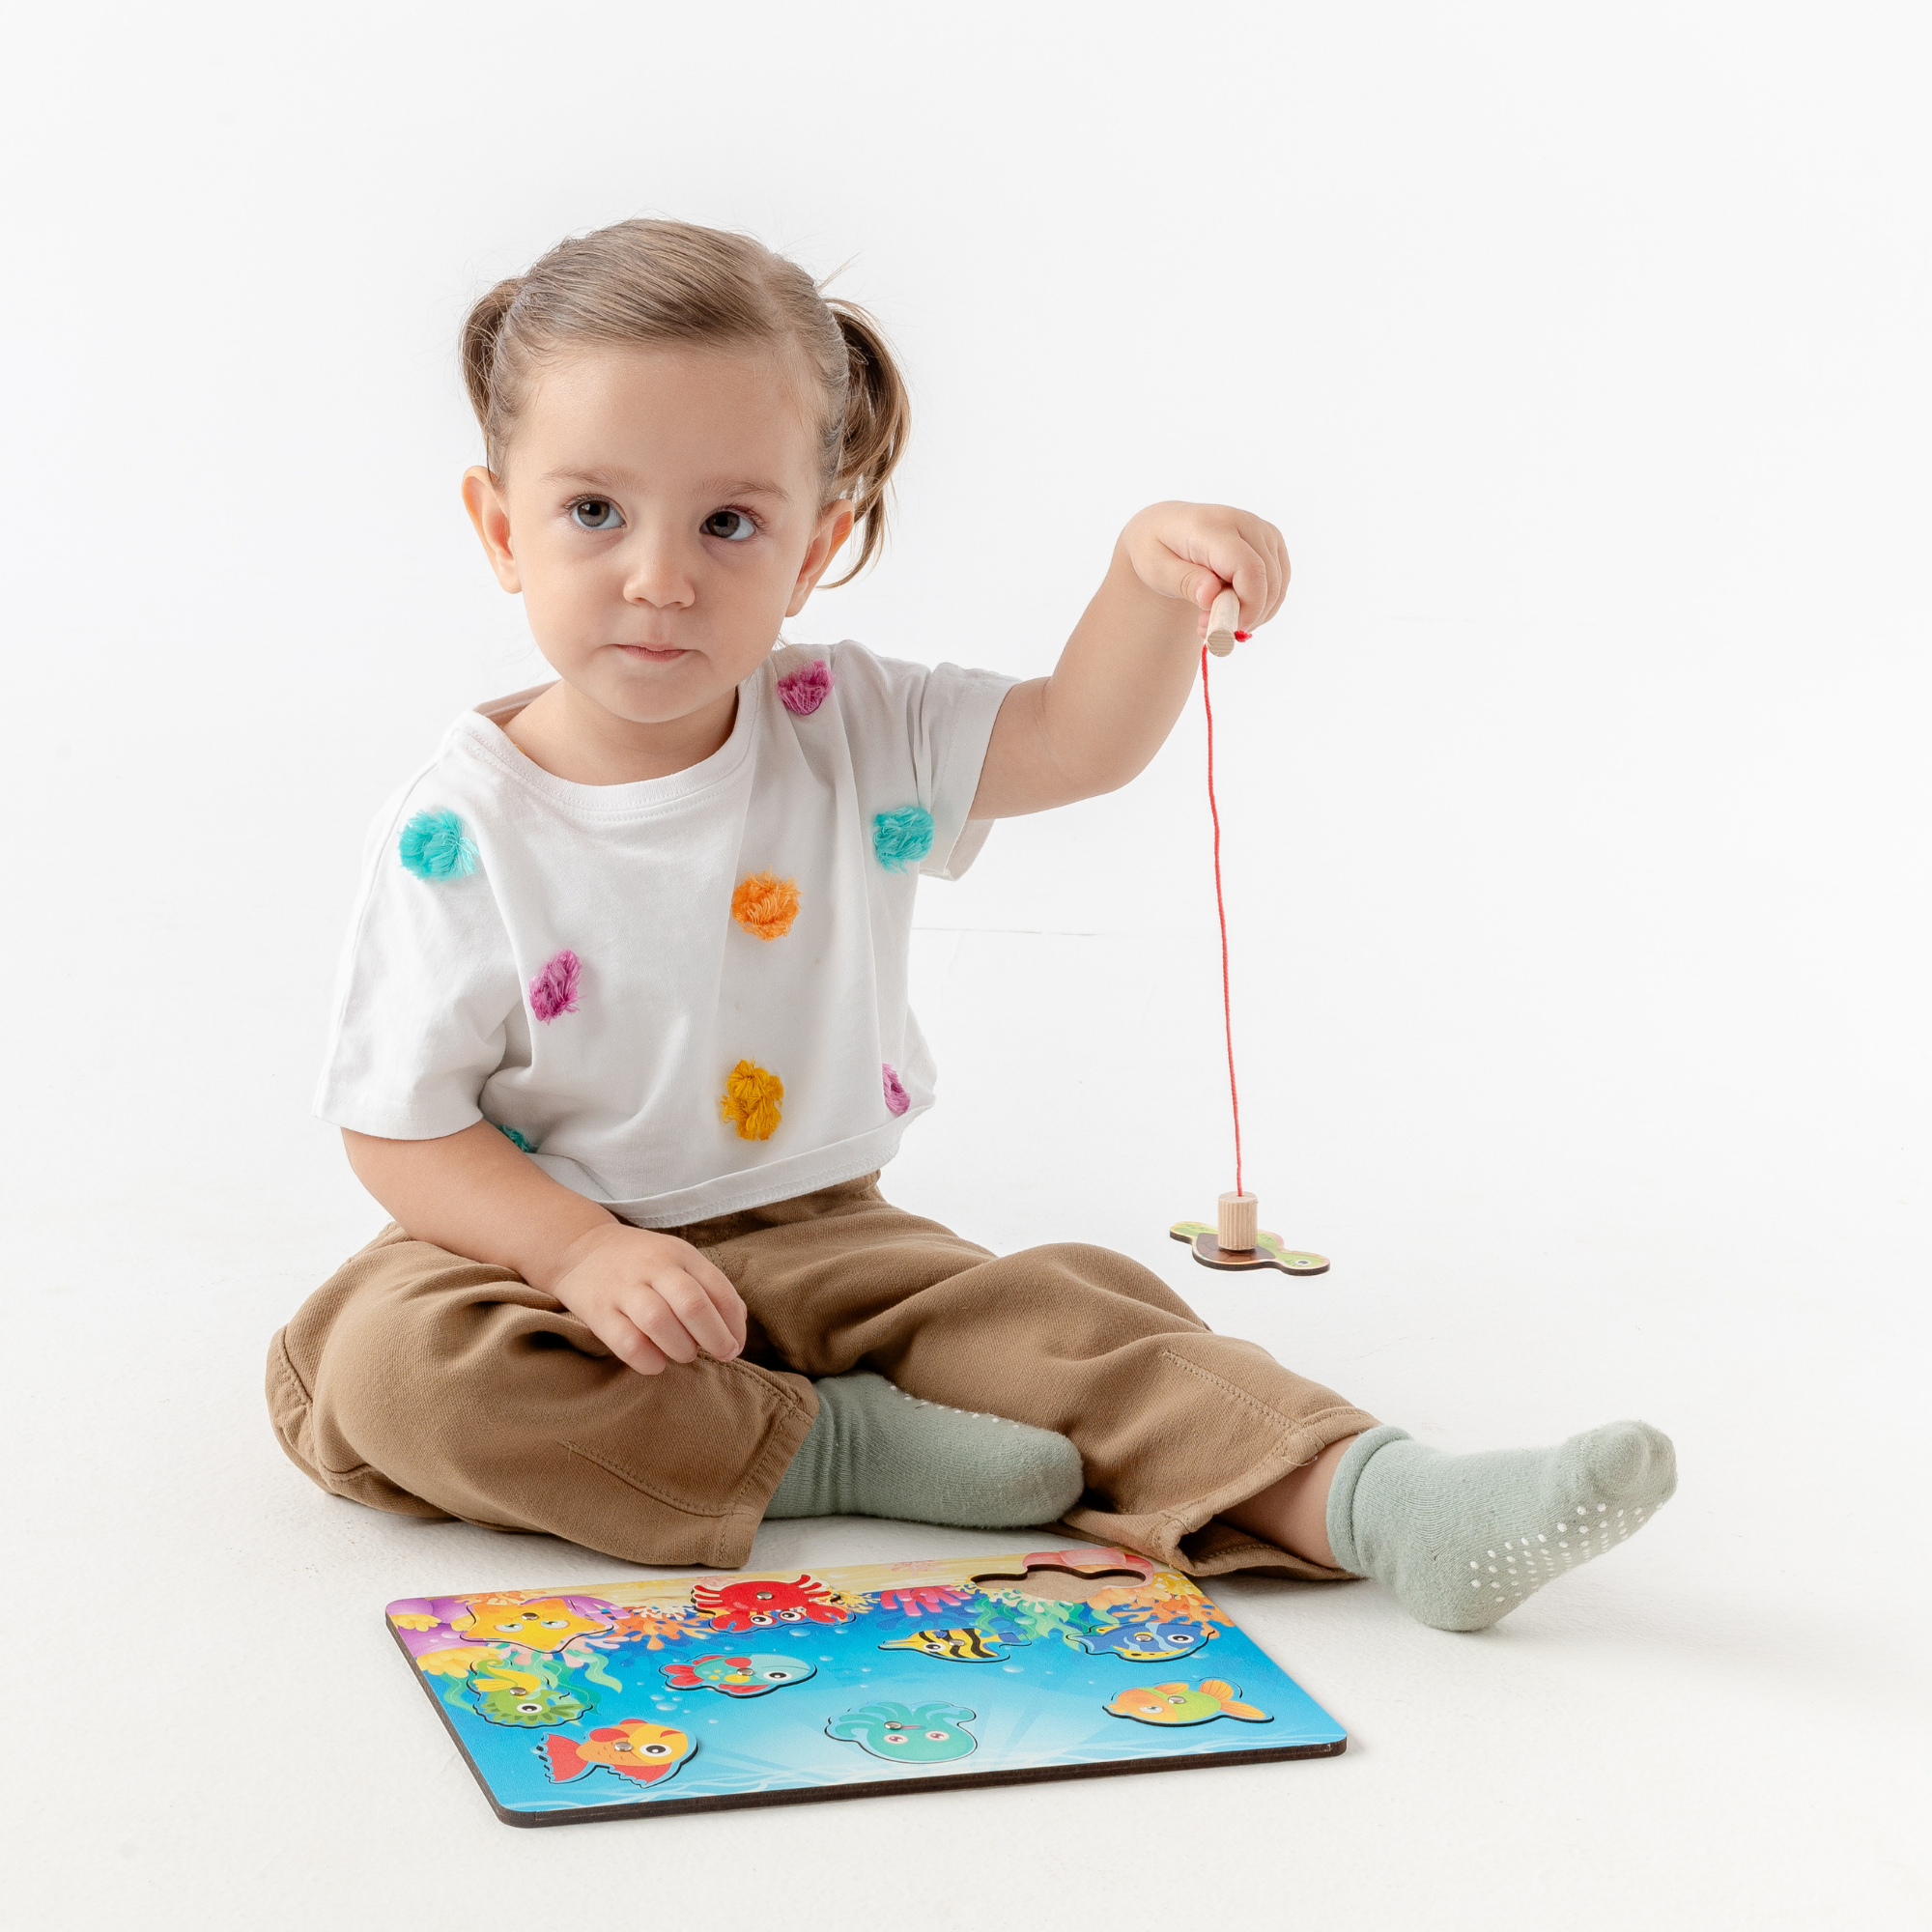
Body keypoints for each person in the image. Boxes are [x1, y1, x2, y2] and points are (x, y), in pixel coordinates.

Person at [267, 218, 1674, 1633]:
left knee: (1069, 1327)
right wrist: (580, 1252)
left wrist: (1142, 586)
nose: (660, 577)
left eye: (728, 524)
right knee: (393, 1372)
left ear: (815, 549)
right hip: (539, 1264)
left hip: (827, 1233)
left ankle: (1385, 1501)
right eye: (593, 513)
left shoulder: (847, 724)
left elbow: (1074, 740)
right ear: (501, 529)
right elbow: (399, 1127)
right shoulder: (459, 829)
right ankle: (826, 1446)